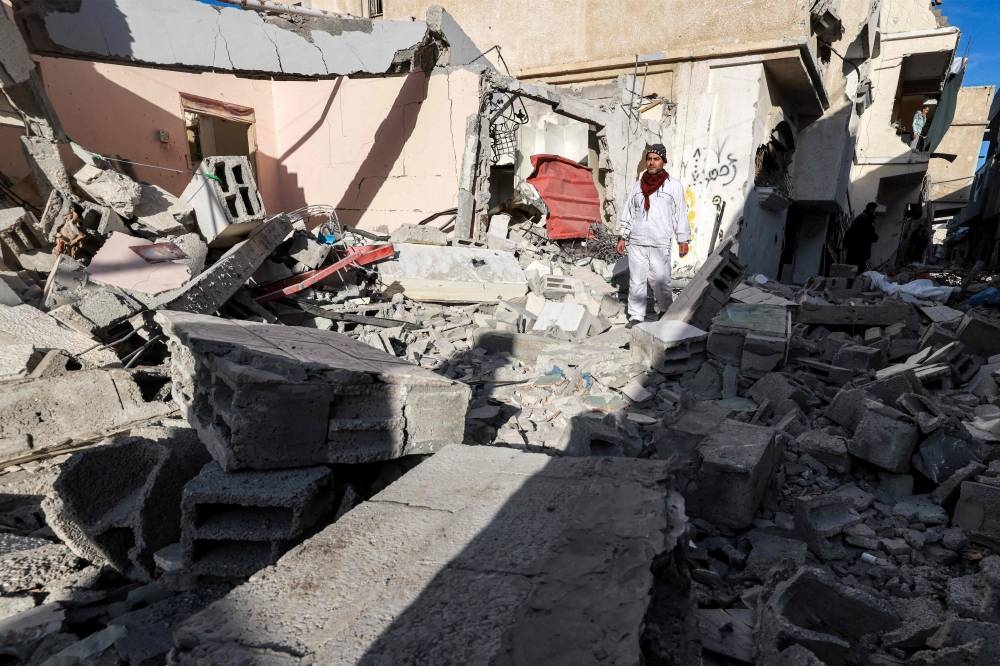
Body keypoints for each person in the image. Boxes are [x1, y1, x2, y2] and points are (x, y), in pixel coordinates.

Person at [615, 144, 690, 327]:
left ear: (663, 161)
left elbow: (680, 214)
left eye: (656, 159)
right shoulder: (637, 186)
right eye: (649, 159)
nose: (651, 162)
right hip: (638, 241)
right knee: (637, 281)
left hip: (660, 242)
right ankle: (636, 316)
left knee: (661, 280)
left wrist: (683, 239)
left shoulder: (674, 186)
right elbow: (629, 212)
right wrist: (623, 236)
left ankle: (665, 310)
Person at [843, 202, 879, 270]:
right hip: (859, 252)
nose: (875, 213)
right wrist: (875, 237)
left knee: (850, 270)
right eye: (874, 211)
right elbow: (869, 235)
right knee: (856, 271)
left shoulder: (861, 217)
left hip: (855, 250)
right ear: (871, 209)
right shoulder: (866, 219)